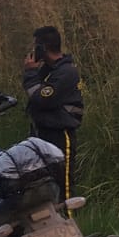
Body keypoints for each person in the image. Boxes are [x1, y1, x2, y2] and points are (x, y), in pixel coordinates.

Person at [23, 24, 84, 195]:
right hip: (43, 132)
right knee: (42, 184)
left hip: (59, 134)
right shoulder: (48, 71)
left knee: (62, 187)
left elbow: (42, 99)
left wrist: (29, 73)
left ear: (42, 48)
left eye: (35, 47)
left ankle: (68, 219)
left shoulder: (66, 72)